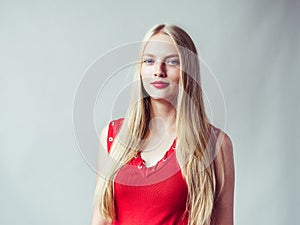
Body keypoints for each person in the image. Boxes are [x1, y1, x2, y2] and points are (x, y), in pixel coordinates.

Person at [91, 24, 235, 225]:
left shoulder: (216, 145)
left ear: (188, 71)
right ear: (140, 69)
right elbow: (102, 218)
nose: (159, 71)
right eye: (149, 60)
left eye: (172, 62)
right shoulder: (113, 136)